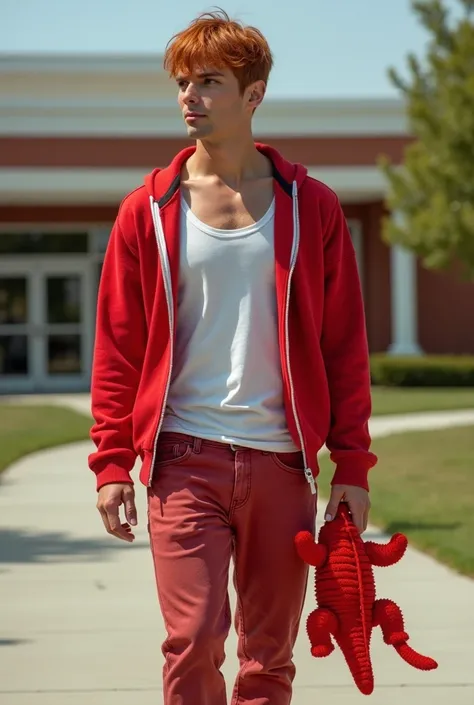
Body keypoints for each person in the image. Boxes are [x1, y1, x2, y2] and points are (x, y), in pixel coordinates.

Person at [88, 9, 377, 705]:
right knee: (192, 643)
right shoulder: (146, 212)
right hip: (183, 459)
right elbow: (118, 346)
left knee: (268, 657)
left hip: (282, 462)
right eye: (183, 82)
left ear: (254, 95)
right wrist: (111, 461)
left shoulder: (312, 207)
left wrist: (354, 464)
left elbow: (343, 346)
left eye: (209, 81)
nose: (190, 95)